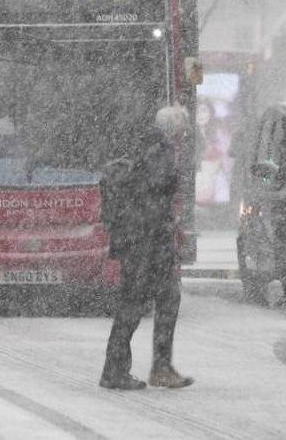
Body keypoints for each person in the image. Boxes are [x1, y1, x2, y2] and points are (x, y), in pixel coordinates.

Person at [99, 105, 194, 391]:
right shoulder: (160, 151)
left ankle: (137, 368)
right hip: (148, 244)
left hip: (137, 241)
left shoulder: (144, 147)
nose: (185, 135)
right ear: (175, 129)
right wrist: (164, 230)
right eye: (183, 129)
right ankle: (130, 370)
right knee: (143, 302)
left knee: (147, 301)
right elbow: (153, 196)